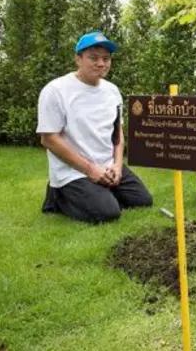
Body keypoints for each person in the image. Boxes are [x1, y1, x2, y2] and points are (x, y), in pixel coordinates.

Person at [38, 31, 153, 223]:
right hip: (73, 172)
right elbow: (48, 138)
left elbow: (117, 133)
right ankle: (58, 196)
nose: (101, 63)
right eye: (93, 58)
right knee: (108, 213)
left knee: (142, 201)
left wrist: (116, 165)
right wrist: (91, 170)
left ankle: (101, 190)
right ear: (78, 58)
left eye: (106, 58)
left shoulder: (112, 91)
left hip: (107, 165)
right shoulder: (56, 90)